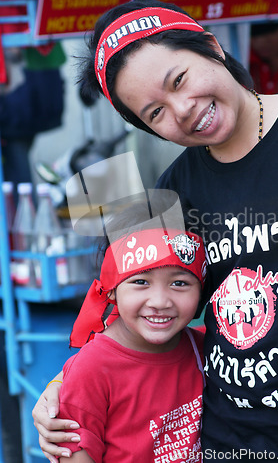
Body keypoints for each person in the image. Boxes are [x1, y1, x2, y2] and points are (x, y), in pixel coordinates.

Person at [32, 0, 278, 462]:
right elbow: (127, 304)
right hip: (226, 443)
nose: (183, 110)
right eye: (155, 113)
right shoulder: (173, 190)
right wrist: (61, 386)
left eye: (179, 80)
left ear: (211, 48)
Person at [47, 197, 207, 463]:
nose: (159, 302)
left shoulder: (203, 347)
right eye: (141, 281)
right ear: (111, 288)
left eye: (179, 283)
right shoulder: (92, 369)